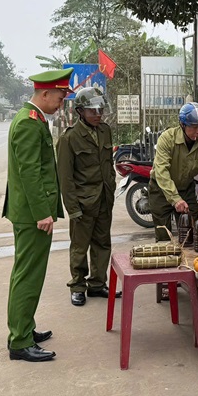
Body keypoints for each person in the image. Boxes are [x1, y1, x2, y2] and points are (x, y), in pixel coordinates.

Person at [3, 67, 73, 363]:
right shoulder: (28, 124)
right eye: (59, 97)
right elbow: (30, 173)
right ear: (45, 93)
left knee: (27, 272)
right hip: (33, 215)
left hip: (30, 212)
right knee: (28, 275)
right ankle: (19, 341)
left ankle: (25, 329)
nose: (61, 103)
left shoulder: (33, 120)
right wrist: (43, 213)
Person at [57, 85, 118, 307]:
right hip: (83, 202)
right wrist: (72, 207)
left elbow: (108, 164)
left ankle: (97, 283)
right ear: (80, 111)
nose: (98, 114)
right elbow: (65, 178)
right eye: (92, 111)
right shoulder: (69, 138)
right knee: (80, 246)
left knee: (103, 243)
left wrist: (110, 186)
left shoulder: (105, 130)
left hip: (104, 198)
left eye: (100, 110)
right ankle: (78, 286)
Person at [148, 101, 198, 243]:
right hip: (161, 190)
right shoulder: (167, 138)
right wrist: (175, 199)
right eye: (194, 127)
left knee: (192, 233)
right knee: (164, 236)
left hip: (186, 189)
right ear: (182, 125)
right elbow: (161, 171)